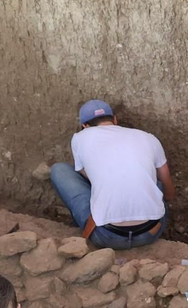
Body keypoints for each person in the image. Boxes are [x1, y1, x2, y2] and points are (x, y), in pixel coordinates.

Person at [49, 100, 174, 250]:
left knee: (59, 170)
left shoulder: (79, 138)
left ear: (85, 126)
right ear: (114, 119)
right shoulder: (149, 138)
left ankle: (82, 223)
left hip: (107, 236)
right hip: (151, 232)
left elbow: (86, 175)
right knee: (156, 183)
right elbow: (168, 189)